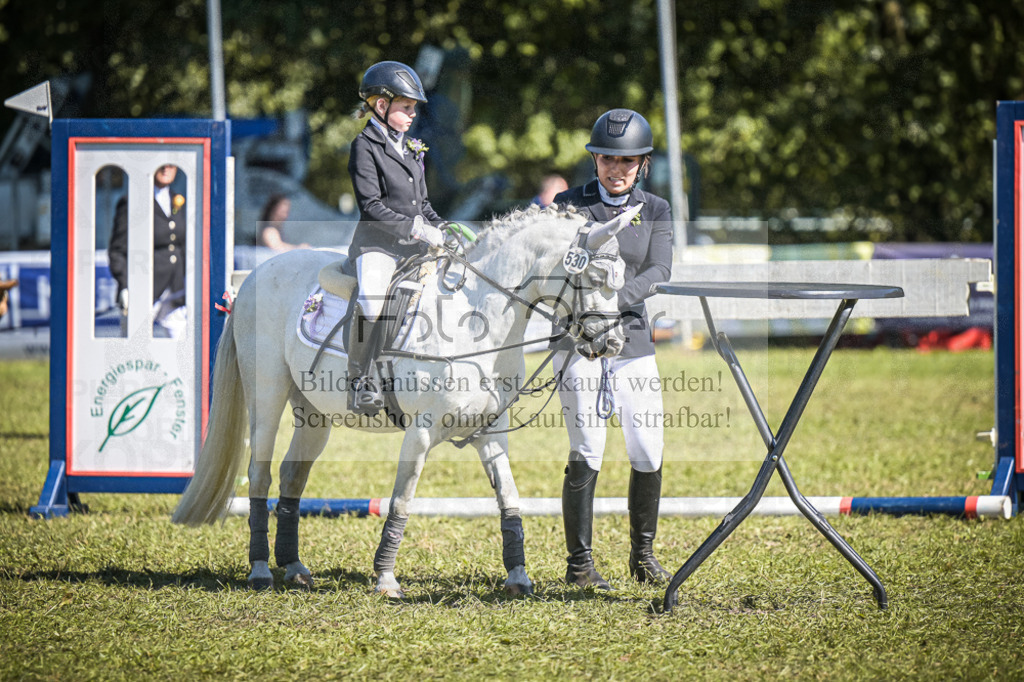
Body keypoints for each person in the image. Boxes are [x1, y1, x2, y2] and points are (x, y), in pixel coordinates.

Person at [552, 109, 674, 589]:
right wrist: (590, 314)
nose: (616, 169)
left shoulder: (657, 209)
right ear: (596, 160)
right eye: (607, 159)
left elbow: (658, 272)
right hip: (576, 342)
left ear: (642, 164)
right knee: (589, 448)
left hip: (633, 340)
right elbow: (559, 265)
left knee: (647, 448)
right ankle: (579, 565)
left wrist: (607, 304)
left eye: (627, 162)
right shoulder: (568, 204)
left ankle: (642, 556)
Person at [346, 60, 452, 416]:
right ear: (381, 105)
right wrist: (415, 228)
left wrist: (445, 227)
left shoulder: (411, 148)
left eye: (413, 108)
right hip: (376, 245)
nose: (411, 115)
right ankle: (359, 380)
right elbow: (371, 206)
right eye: (406, 107)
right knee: (373, 304)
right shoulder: (365, 146)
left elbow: (423, 205)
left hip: (412, 247)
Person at [108, 163, 187, 338]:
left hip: (176, 289)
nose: (166, 169)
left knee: (182, 344)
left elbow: (181, 245)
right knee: (135, 345)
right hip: (145, 286)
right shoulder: (132, 201)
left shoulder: (177, 199)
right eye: (162, 165)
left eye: (171, 165)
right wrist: (124, 285)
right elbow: (117, 249)